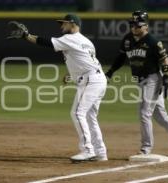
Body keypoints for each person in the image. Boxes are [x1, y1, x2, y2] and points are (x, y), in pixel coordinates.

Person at [7, 14, 108, 162]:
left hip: (90, 81)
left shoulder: (70, 38)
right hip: (98, 79)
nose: (61, 26)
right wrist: (70, 73)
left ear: (73, 24)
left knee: (78, 113)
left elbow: (46, 42)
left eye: (64, 23)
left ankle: (88, 150)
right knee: (90, 117)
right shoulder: (86, 41)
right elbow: (84, 60)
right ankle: (100, 152)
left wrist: (26, 36)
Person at [105, 10, 168, 160]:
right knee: (161, 116)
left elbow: (165, 60)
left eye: (137, 25)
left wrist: (167, 79)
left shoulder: (153, 42)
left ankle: (146, 149)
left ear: (145, 26)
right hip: (140, 80)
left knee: (144, 112)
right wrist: (110, 72)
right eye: (132, 24)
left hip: (152, 79)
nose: (133, 27)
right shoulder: (127, 40)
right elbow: (120, 57)